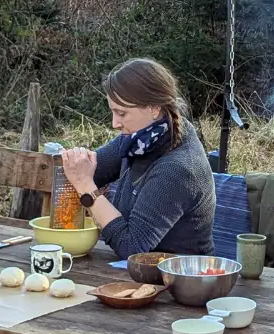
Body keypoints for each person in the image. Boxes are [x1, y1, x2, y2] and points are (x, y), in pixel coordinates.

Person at [58, 58, 215, 259]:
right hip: (136, 272)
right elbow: (87, 170)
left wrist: (87, 187)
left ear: (154, 108)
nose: (114, 123)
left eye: (121, 113)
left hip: (180, 280)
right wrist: (74, 163)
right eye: (113, 112)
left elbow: (131, 247)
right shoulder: (142, 139)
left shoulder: (178, 169)